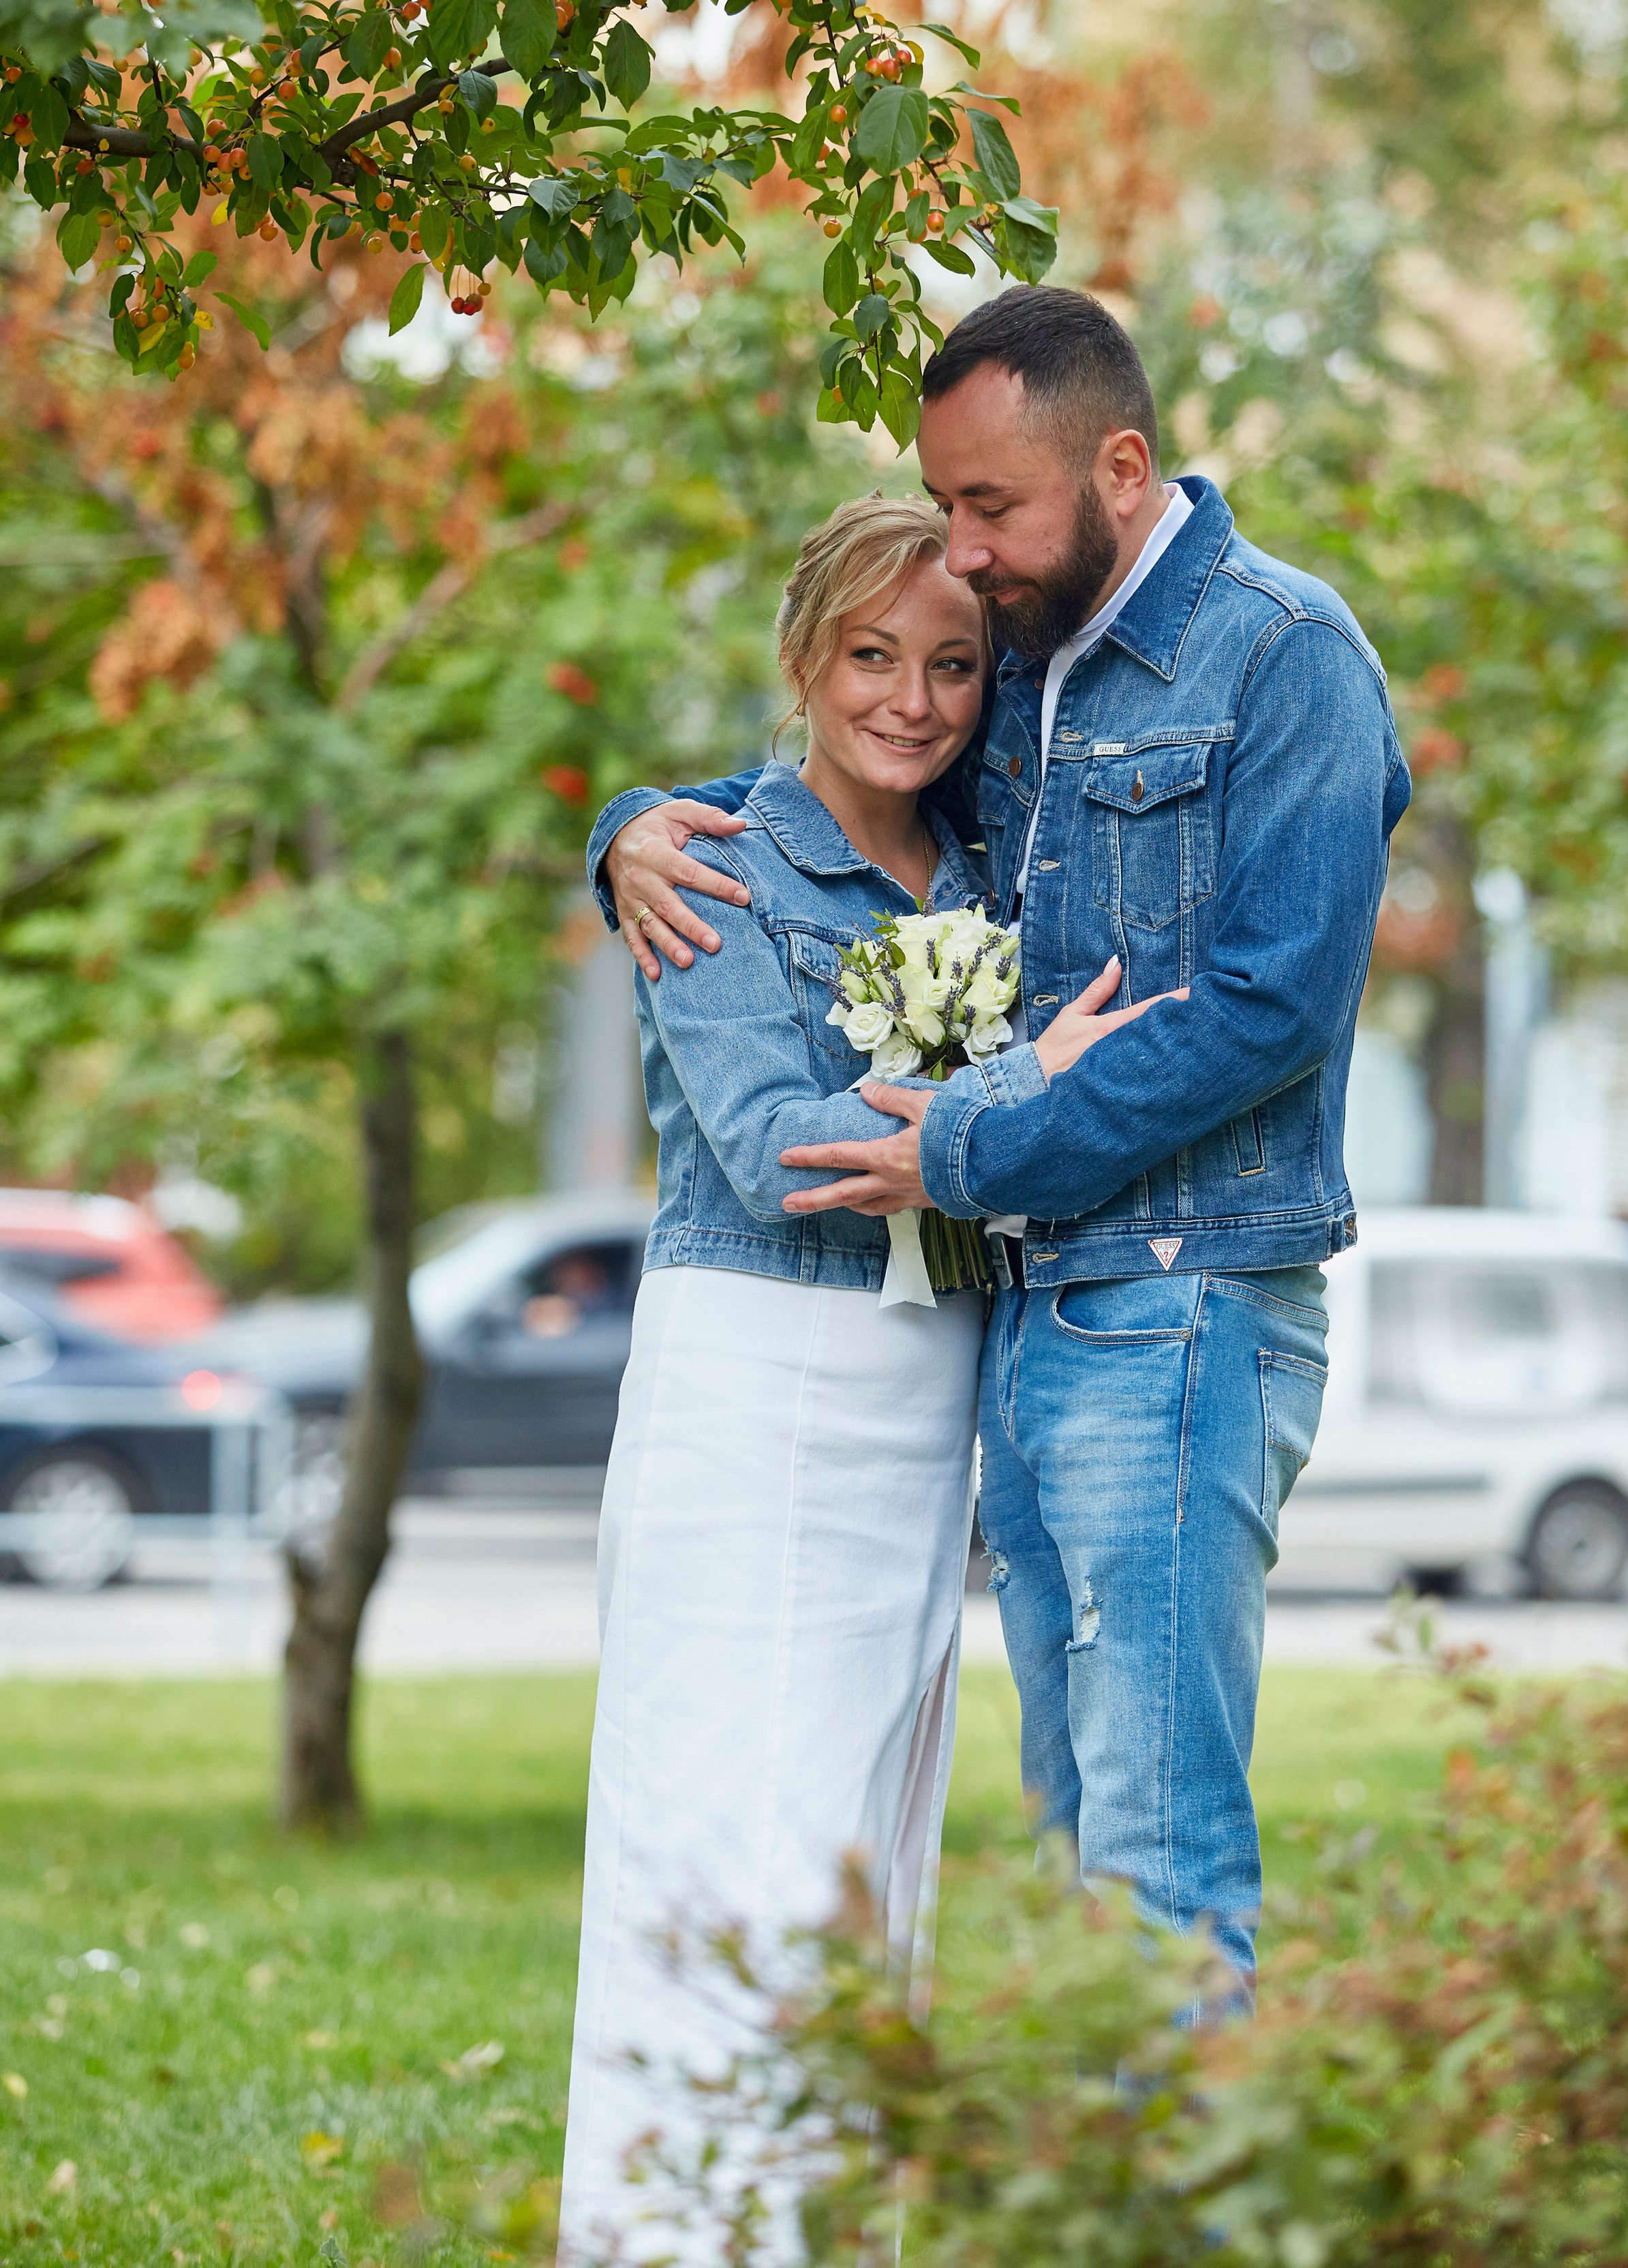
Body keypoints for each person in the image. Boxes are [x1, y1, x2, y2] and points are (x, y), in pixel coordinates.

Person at [590, 287, 1412, 2000]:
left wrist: (970, 1139)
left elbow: (1268, 1008)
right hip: (1030, 1332)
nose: (959, 554)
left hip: (1184, 1311)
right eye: (942, 502)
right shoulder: (1024, 664)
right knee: (1074, 1835)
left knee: (1156, 1846)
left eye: (989, 509)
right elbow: (842, 794)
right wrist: (626, 838)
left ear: (1118, 464)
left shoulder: (1282, 654)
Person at [559, 490, 1148, 2263]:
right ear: (807, 655)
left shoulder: (984, 855)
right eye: (873, 655)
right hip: (756, 1382)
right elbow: (767, 1148)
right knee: (722, 1817)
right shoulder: (716, 857)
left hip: (918, 1399)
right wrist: (1012, 1094)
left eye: (953, 663)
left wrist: (985, 1119)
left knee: (857, 1830)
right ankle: (680, 2233)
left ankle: (819, 2227)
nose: (912, 697)